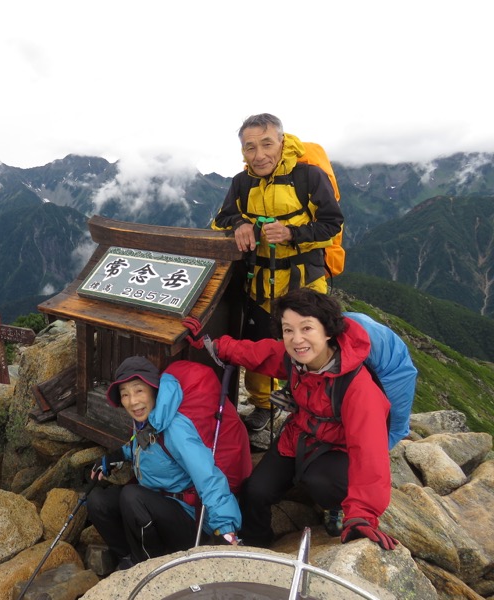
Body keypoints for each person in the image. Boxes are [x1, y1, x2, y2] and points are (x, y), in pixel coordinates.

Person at [185, 288, 398, 550]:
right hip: (299, 436)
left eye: (307, 328)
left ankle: (337, 508)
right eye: (288, 330)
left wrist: (363, 514)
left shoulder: (358, 387)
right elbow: (257, 354)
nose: (297, 339)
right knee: (255, 491)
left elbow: (369, 452)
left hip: (338, 449)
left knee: (321, 483)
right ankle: (255, 546)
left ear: (328, 331)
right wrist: (213, 345)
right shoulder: (294, 359)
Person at [211, 113, 344, 432]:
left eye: (266, 144)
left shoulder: (309, 177)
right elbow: (222, 219)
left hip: (304, 285)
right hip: (259, 285)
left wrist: (292, 234)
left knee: (309, 347)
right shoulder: (241, 183)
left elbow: (332, 224)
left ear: (282, 143)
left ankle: (317, 409)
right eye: (249, 147)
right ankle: (263, 406)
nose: (258, 155)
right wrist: (240, 224)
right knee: (260, 347)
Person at [86, 356, 247, 570]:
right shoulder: (146, 422)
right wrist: (117, 455)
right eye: (125, 394)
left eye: (138, 390)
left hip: (187, 520)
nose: (132, 401)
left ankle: (150, 568)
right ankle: (127, 558)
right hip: (156, 508)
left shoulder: (176, 428)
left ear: (154, 389)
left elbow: (208, 477)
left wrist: (225, 530)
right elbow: (144, 448)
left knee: (132, 496)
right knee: (97, 500)